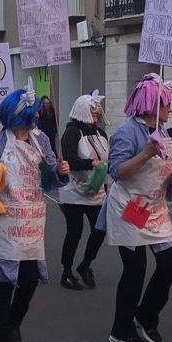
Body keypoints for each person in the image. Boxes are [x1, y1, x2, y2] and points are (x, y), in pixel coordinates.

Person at [0, 83, 69, 342]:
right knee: (1, 286)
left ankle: (13, 324)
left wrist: (60, 171)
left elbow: (51, 177)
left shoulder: (42, 141)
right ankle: (3, 341)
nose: (35, 118)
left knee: (29, 279)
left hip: (30, 224)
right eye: (31, 114)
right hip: (2, 224)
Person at [103, 74, 172, 342]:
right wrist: (146, 153)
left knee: (169, 263)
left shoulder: (163, 132)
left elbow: (160, 169)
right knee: (135, 268)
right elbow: (118, 172)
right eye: (166, 104)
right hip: (131, 208)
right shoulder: (126, 133)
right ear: (152, 104)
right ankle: (121, 328)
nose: (171, 110)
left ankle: (146, 315)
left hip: (156, 209)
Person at [57, 91, 108, 290]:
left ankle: (85, 264)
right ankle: (66, 270)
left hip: (97, 193)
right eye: (92, 110)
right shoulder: (71, 132)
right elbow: (69, 159)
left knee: (99, 230)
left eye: (97, 111)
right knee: (74, 233)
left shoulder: (100, 133)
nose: (96, 114)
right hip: (74, 193)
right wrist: (90, 163)